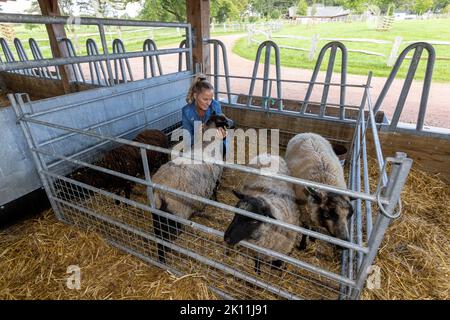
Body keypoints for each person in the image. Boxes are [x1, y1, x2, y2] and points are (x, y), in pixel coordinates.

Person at [182, 74, 231, 157]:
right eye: (205, 99)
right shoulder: (186, 111)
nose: (209, 103)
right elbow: (187, 138)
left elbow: (221, 125)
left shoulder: (215, 105)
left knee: (224, 148)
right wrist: (201, 134)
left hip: (213, 140)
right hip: (196, 141)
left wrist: (222, 131)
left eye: (211, 99)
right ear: (195, 96)